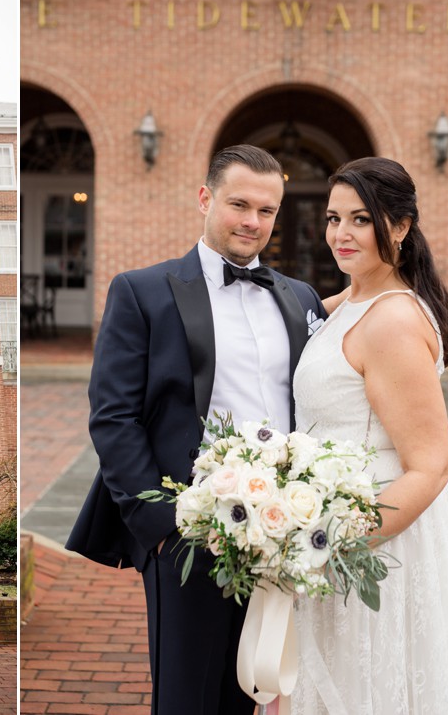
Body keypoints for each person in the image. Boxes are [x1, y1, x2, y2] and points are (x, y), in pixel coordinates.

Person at [67, 144, 337, 715]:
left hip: (282, 530)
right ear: (204, 198)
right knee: (186, 698)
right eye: (239, 204)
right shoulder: (142, 291)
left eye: (267, 211)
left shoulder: (301, 298)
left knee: (256, 690)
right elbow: (112, 415)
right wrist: (161, 527)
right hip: (190, 532)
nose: (252, 222)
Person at [291, 157, 448, 713]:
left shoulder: (392, 321)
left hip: (372, 540)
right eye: (333, 218)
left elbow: (432, 465)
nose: (340, 234)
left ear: (400, 226)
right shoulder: (351, 302)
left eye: (360, 219)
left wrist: (331, 548)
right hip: (331, 520)